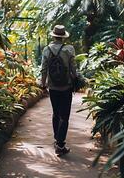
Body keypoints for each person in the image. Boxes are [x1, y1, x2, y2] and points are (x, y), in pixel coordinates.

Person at [40, 25, 77, 156]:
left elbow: (44, 69)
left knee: (56, 113)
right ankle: (60, 144)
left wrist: (43, 84)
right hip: (66, 87)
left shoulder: (46, 50)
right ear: (63, 37)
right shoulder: (69, 49)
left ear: (53, 36)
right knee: (65, 115)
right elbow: (73, 69)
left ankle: (57, 140)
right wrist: (77, 80)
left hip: (53, 87)